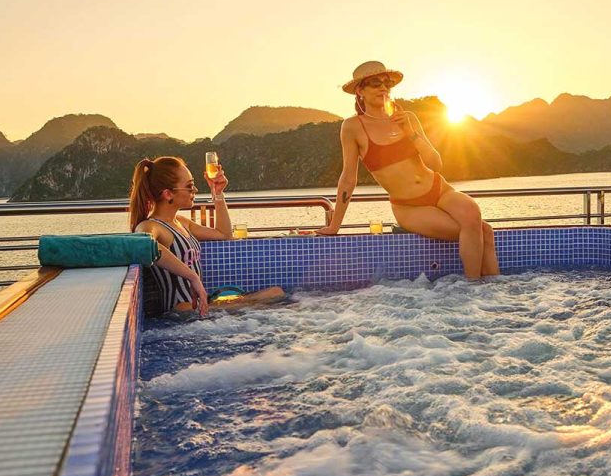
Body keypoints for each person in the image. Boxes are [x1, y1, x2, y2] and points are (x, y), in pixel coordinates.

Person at [317, 61, 500, 280]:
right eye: (375, 83)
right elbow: (348, 178)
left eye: (387, 83)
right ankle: (475, 288)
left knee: (473, 214)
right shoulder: (353, 127)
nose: (383, 88)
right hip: (409, 207)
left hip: (439, 189)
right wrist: (335, 225)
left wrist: (410, 132)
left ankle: (487, 292)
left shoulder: (408, 119)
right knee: (483, 231)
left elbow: (436, 164)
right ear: (360, 90)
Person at [129, 156, 284, 316]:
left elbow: (224, 234)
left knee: (275, 292)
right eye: (189, 186)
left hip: (199, 306)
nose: (195, 190)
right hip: (182, 310)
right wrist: (193, 277)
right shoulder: (151, 226)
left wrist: (217, 193)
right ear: (168, 194)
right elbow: (144, 245)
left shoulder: (182, 222)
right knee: (265, 306)